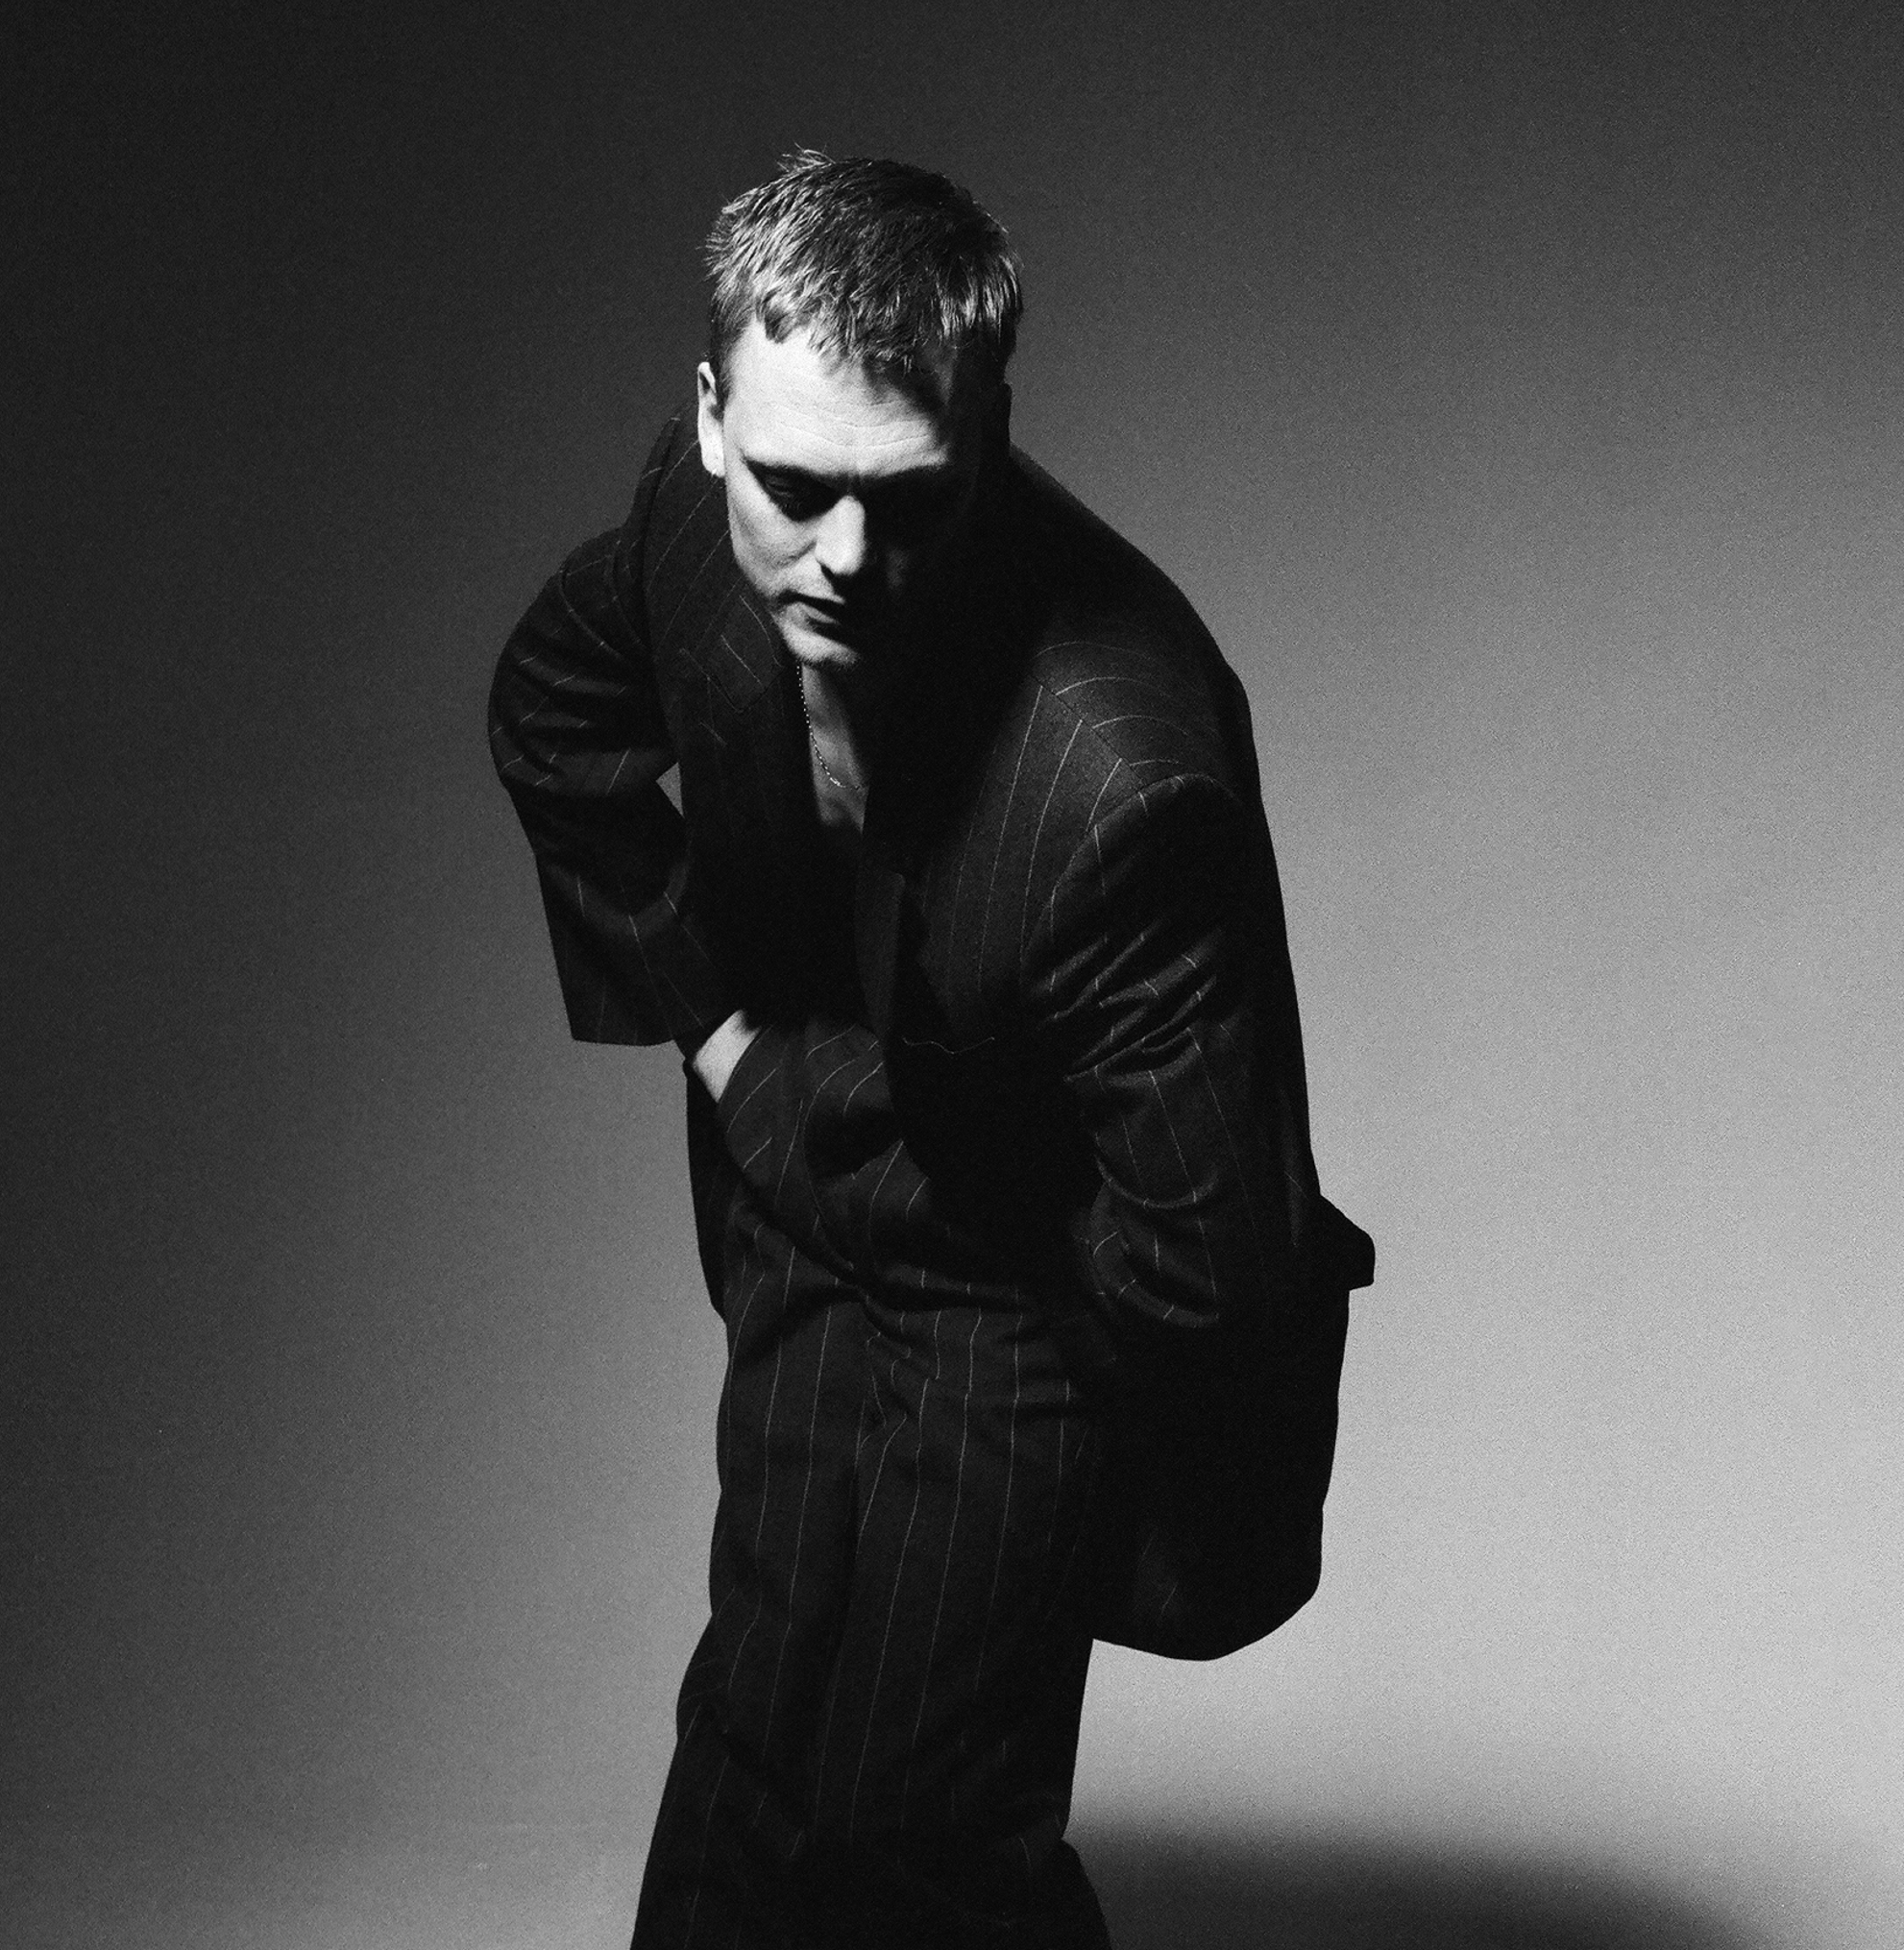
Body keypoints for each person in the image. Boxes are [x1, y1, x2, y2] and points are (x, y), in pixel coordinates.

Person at [490, 150, 1371, 1950]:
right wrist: (726, 1038)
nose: (846, 559)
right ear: (713, 417)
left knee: (920, 1830)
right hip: (799, 1190)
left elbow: (1212, 1267)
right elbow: (552, 713)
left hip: (1011, 1281)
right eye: (797, 489)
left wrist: (1032, 1422)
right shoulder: (687, 525)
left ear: (990, 428)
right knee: (753, 1744)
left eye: (907, 498)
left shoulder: (1118, 776)